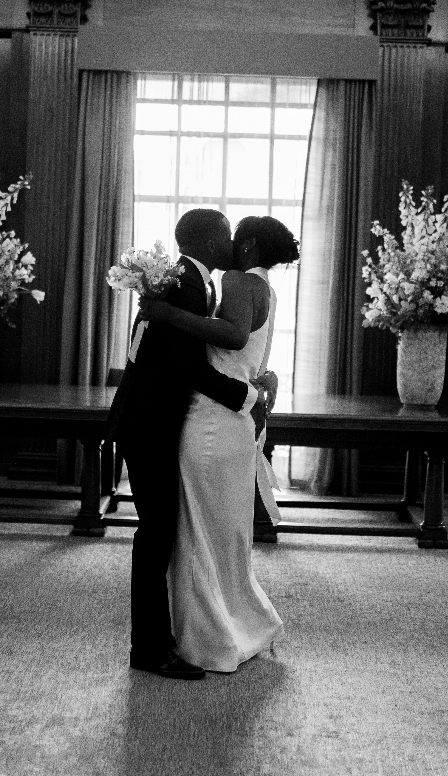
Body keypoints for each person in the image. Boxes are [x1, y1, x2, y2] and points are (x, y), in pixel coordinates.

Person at [105, 209, 264, 680]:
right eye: (225, 232)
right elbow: (185, 367)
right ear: (210, 240)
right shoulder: (188, 287)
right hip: (151, 422)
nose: (231, 240)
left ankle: (156, 640)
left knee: (158, 532)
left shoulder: (187, 282)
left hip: (148, 417)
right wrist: (247, 397)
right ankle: (150, 648)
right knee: (155, 534)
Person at [137, 215, 299, 673]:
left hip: (212, 419)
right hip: (233, 419)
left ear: (246, 246)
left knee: (198, 534)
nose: (227, 244)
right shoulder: (266, 287)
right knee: (224, 534)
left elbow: (233, 335)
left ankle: (210, 639)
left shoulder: (235, 279)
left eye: (233, 237)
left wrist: (168, 313)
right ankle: (236, 623)